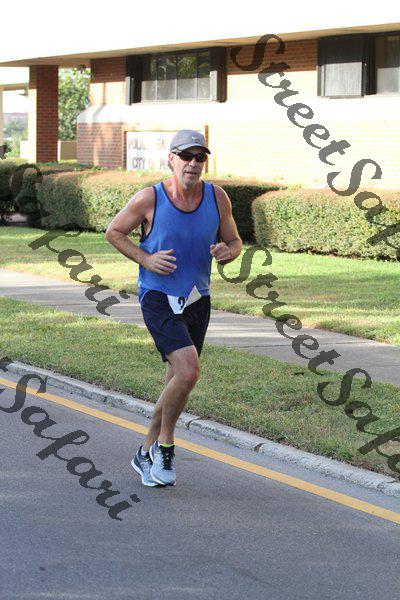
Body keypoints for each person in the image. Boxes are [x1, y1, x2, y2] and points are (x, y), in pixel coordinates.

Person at [105, 129, 242, 487]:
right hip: (158, 296)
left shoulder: (217, 198)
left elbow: (234, 241)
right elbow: (114, 232)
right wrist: (145, 259)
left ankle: (145, 450)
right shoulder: (150, 198)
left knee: (178, 379)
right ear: (171, 160)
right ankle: (165, 447)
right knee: (189, 371)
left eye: (200, 157)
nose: (193, 163)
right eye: (186, 156)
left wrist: (228, 252)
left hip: (197, 298)